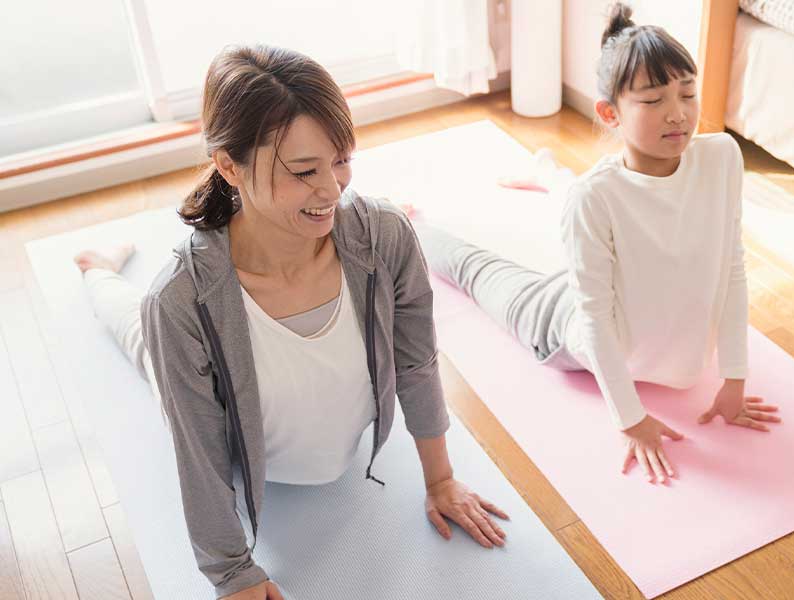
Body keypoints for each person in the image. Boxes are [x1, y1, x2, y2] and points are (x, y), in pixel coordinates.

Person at [75, 44, 508, 600]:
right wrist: (232, 573)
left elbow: (417, 362)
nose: (332, 190)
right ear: (228, 165)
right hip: (199, 344)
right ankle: (97, 274)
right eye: (304, 171)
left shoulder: (385, 236)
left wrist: (441, 479)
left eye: (341, 160)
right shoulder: (180, 306)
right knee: (138, 333)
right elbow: (199, 452)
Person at [416, 2, 780, 488]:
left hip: (622, 275)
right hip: (567, 320)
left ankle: (547, 171)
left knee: (587, 196)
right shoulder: (596, 199)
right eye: (653, 101)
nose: (678, 114)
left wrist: (734, 377)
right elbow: (593, 319)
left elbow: (731, 267)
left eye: (688, 93)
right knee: (475, 270)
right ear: (610, 113)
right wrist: (630, 419)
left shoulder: (721, 157)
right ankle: (410, 228)